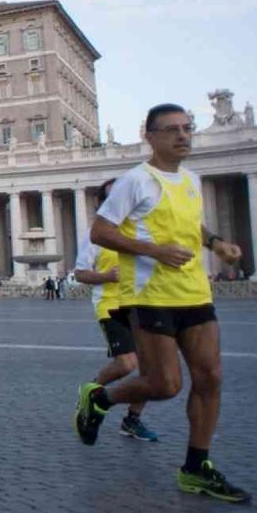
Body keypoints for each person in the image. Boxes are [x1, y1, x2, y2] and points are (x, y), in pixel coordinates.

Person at [76, 103, 248, 503]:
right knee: (164, 384)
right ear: (149, 136)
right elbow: (101, 231)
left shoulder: (191, 179)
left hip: (194, 292)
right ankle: (100, 398)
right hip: (151, 295)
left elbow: (192, 225)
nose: (182, 135)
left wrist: (217, 243)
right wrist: (152, 250)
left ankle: (196, 467)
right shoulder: (134, 181)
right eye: (171, 129)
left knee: (210, 377)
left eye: (187, 128)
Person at [72, 179, 157, 443]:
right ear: (102, 205)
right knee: (126, 363)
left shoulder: (140, 231)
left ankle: (132, 420)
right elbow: (81, 274)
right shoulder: (93, 236)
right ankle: (92, 390)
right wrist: (107, 276)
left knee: (152, 370)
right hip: (110, 304)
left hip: (142, 303)